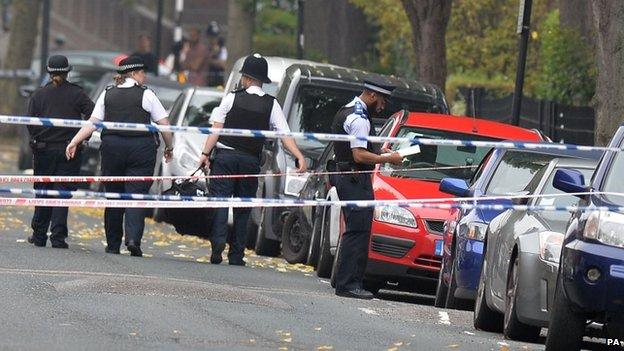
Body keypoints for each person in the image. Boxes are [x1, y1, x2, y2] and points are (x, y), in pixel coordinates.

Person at [198, 53, 307, 266]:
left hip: (225, 157)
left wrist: (204, 155)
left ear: (246, 78)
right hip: (249, 161)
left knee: (220, 202)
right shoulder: (271, 104)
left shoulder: (231, 97)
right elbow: (284, 135)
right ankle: (237, 254)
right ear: (261, 81)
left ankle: (218, 242)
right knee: (243, 208)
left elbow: (216, 131)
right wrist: (299, 156)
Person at [66, 56, 174, 257]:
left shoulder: (108, 94)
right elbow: (165, 125)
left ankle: (113, 243)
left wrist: (75, 140)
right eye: (143, 73)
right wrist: (169, 146)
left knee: (114, 195)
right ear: (134, 73)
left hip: (112, 149)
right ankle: (133, 239)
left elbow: (93, 122)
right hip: (141, 150)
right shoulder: (147, 95)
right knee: (136, 195)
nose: (145, 76)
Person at [331, 77, 403, 299]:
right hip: (354, 178)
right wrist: (389, 160)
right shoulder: (360, 118)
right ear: (372, 95)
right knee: (359, 231)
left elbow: (360, 147)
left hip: (347, 177)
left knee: (355, 230)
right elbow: (359, 154)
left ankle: (345, 280)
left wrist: (382, 151)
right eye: (382, 101)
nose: (383, 106)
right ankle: (349, 284)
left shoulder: (348, 109)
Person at [26, 55, 95, 248]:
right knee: (62, 192)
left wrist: (37, 138)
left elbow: (29, 122)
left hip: (44, 150)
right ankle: (58, 236)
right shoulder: (77, 94)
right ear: (67, 72)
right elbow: (94, 115)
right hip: (69, 150)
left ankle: (39, 235)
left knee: (43, 191)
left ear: (49, 72)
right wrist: (81, 137)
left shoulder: (39, 95)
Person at [205, 21, 227, 87]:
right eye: (211, 37)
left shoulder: (222, 48)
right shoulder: (207, 48)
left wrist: (212, 61)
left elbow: (223, 64)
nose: (213, 39)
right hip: (208, 80)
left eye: (215, 37)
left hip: (219, 81)